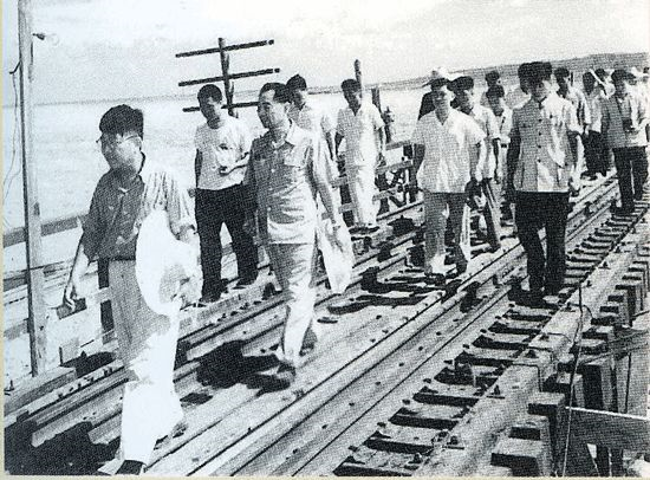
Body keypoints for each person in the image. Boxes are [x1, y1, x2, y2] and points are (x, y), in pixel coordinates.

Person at [63, 105, 196, 474]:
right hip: (118, 276)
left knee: (142, 366)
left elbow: (186, 230)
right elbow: (92, 234)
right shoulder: (104, 185)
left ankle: (133, 457)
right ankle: (170, 416)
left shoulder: (165, 178)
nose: (107, 149)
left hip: (159, 276)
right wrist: (75, 276)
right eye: (102, 142)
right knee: (137, 358)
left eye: (114, 141)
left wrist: (190, 277)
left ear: (136, 142)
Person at [244, 82, 345, 388]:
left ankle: (287, 358)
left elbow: (323, 184)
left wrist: (336, 221)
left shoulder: (308, 141)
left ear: (286, 107)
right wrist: (249, 218)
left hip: (300, 229)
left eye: (267, 106)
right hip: (271, 231)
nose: (261, 113)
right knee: (292, 290)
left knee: (298, 292)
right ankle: (309, 332)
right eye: (258, 107)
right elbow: (251, 186)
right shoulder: (258, 147)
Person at [507, 62, 583, 305]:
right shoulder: (520, 111)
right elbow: (514, 147)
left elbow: (575, 143)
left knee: (555, 237)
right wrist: (509, 181)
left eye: (540, 83)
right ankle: (537, 268)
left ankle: (551, 286)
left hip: (556, 182)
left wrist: (576, 173)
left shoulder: (565, 107)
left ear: (549, 82)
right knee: (525, 231)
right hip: (527, 182)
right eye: (532, 84)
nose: (536, 88)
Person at [411, 75, 486, 286]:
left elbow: (479, 144)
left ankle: (462, 259)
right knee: (434, 225)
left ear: (452, 96)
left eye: (442, 94)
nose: (438, 99)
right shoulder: (425, 122)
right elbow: (418, 150)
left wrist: (476, 170)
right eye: (434, 95)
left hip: (458, 181)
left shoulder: (463, 121)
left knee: (459, 224)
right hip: (433, 181)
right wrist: (414, 174)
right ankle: (435, 267)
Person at [194, 84, 258, 304]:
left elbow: (249, 156)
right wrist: (198, 187)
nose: (206, 111)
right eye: (202, 107)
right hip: (207, 193)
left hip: (232, 188)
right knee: (208, 244)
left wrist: (233, 167)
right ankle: (211, 287)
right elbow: (199, 159)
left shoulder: (237, 127)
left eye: (210, 106)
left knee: (240, 235)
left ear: (220, 103)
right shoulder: (200, 131)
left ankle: (248, 275)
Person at [453, 75, 502, 252]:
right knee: (463, 207)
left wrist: (498, 167)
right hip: (465, 168)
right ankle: (462, 246)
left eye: (464, 94)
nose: (462, 98)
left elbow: (495, 141)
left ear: (472, 92)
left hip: (486, 166)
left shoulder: (485, 114)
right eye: (458, 95)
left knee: (491, 207)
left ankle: (495, 242)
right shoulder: (456, 115)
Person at [335, 79, 385, 233]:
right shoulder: (343, 113)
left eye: (351, 95)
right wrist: (333, 151)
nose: (349, 99)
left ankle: (370, 222)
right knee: (355, 192)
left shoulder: (370, 109)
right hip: (351, 157)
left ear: (359, 93)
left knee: (367, 189)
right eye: (346, 96)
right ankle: (360, 223)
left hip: (367, 155)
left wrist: (382, 150)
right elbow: (339, 134)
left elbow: (381, 129)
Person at [601, 69, 649, 213]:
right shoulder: (608, 101)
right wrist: (604, 139)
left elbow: (645, 116)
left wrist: (638, 127)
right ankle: (628, 205)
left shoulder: (637, 97)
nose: (620, 88)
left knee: (640, 169)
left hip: (636, 141)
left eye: (622, 85)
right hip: (619, 142)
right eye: (617, 85)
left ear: (627, 83)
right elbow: (605, 121)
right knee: (623, 175)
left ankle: (639, 186)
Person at [286, 74, 336, 157]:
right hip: (297, 154)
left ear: (306, 90)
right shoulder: (289, 112)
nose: (295, 99)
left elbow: (329, 132)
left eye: (298, 96)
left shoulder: (319, 107)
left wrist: (333, 154)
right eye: (292, 96)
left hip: (318, 153)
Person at [486, 84, 515, 220]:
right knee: (495, 187)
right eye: (491, 102)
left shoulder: (512, 115)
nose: (494, 105)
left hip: (509, 151)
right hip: (494, 153)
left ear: (503, 98)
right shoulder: (488, 116)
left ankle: (513, 218)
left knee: (511, 185)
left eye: (496, 101)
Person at [582, 70, 609, 178]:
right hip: (585, 124)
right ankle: (591, 169)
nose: (586, 82)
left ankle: (600, 169)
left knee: (596, 147)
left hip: (597, 123)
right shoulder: (582, 92)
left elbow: (606, 101)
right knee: (588, 149)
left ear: (593, 81)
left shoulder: (599, 91)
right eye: (584, 80)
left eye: (589, 80)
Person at [555, 67, 591, 134]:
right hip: (562, 131)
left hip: (576, 129)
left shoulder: (577, 94)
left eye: (562, 80)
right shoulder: (556, 96)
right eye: (558, 80)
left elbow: (585, 110)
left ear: (568, 79)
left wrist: (586, 128)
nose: (560, 83)